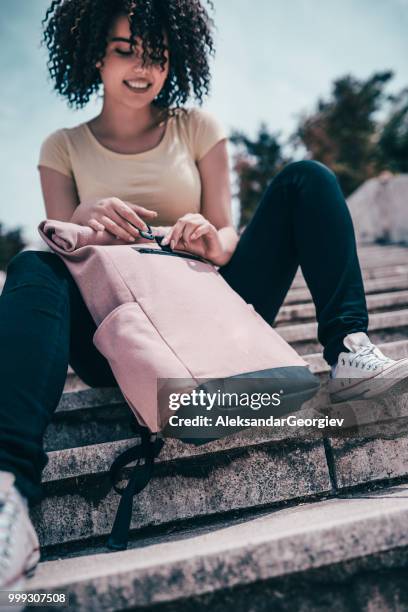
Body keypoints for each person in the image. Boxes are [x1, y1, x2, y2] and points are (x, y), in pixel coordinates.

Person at [1, 0, 407, 590]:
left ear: (174, 62)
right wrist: (86, 215)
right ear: (94, 55)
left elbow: (227, 233)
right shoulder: (61, 146)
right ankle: (11, 490)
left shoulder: (198, 128)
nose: (141, 68)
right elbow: (63, 247)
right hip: (115, 325)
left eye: (156, 57)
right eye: (123, 52)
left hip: (208, 304)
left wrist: (209, 240)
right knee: (33, 263)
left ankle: (349, 352)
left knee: (307, 178)